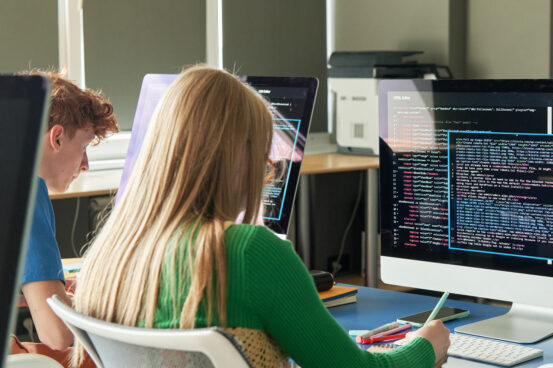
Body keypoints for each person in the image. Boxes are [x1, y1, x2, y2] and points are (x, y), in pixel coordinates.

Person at [73, 66, 450, 367]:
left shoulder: (109, 255)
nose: (266, 168)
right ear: (232, 156)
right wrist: (425, 347)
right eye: (262, 154)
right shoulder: (250, 252)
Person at [10, 71, 118, 368]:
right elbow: (56, 334)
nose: (85, 165)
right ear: (57, 137)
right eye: (84, 146)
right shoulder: (26, 191)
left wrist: (54, 290)